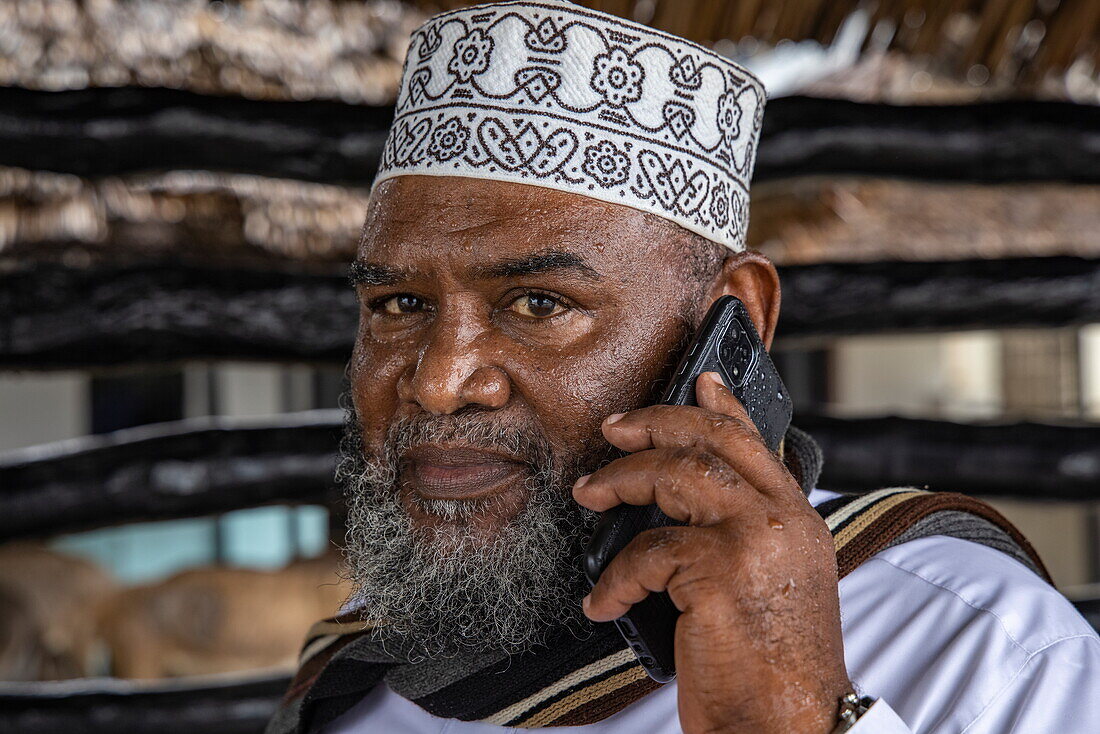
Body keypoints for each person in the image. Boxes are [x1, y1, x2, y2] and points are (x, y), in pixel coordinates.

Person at [268, 2, 1100, 732]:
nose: (439, 382)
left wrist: (795, 719)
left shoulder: (988, 652)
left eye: (538, 304)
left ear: (733, 318)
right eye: (399, 306)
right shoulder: (359, 675)